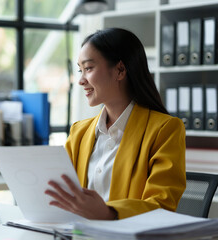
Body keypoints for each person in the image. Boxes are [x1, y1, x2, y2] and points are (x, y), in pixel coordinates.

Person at [44, 28, 186, 220]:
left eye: (89, 68)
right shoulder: (79, 132)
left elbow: (161, 205)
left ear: (120, 70)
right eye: (80, 70)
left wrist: (108, 212)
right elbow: (61, 192)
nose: (81, 80)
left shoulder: (165, 129)